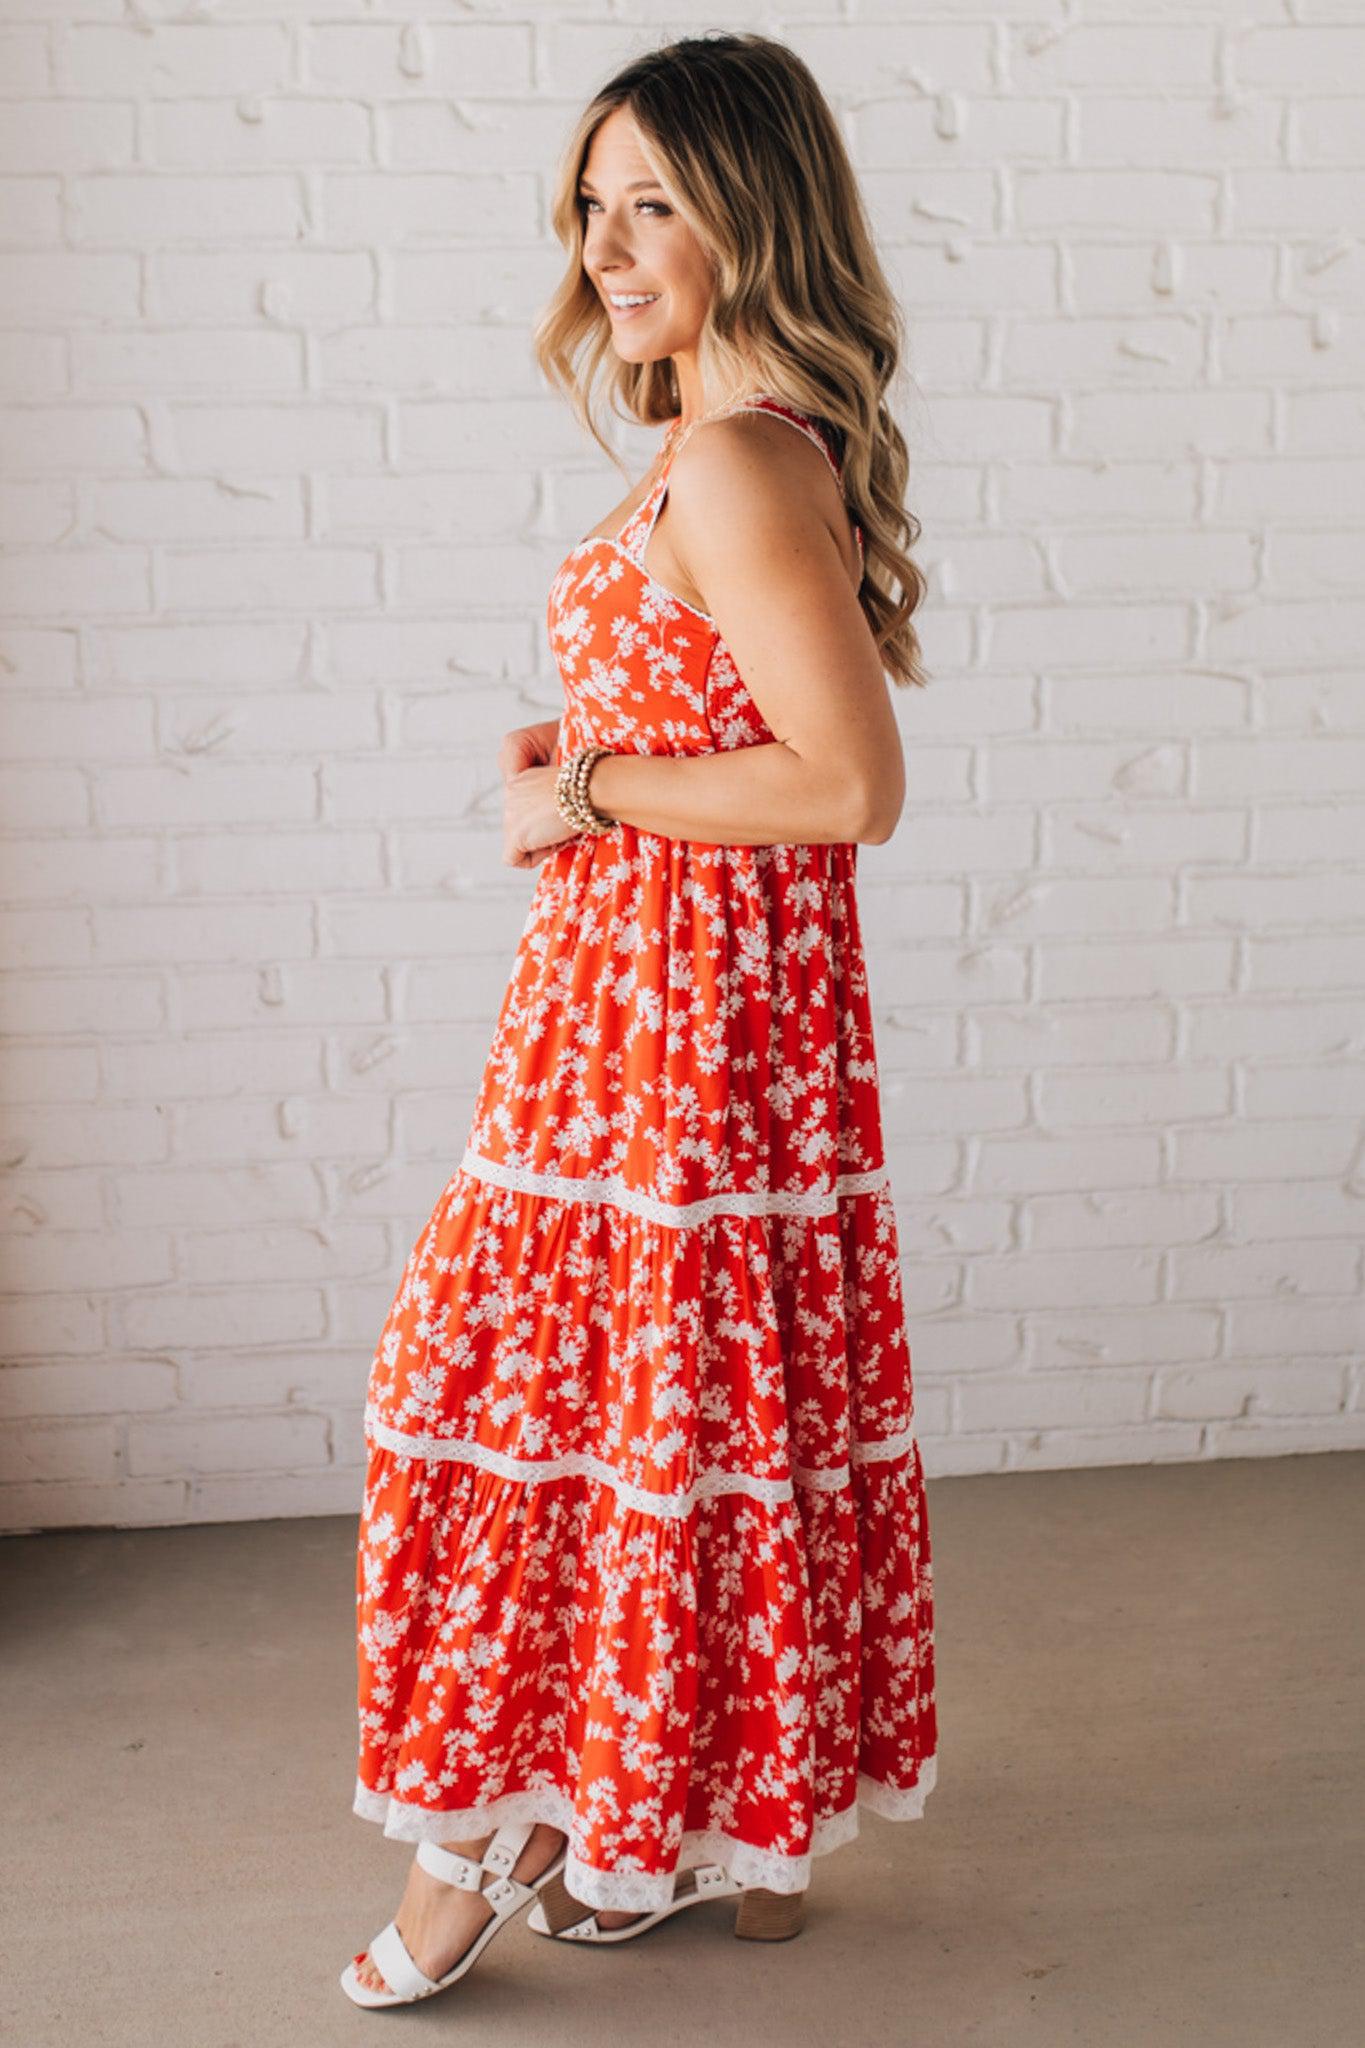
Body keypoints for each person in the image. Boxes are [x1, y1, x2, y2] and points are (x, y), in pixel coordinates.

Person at [342, 30, 938, 2009]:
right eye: (591, 202)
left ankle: (480, 1848)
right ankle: (734, 1851)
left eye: (655, 200)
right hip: (659, 1010)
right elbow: (741, 727)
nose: (606, 243)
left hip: (676, 1041)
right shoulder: (730, 442)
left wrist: (588, 794)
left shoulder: (731, 453)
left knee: (548, 1403)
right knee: (680, 1413)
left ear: (749, 213)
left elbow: (844, 784)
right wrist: (597, 746)